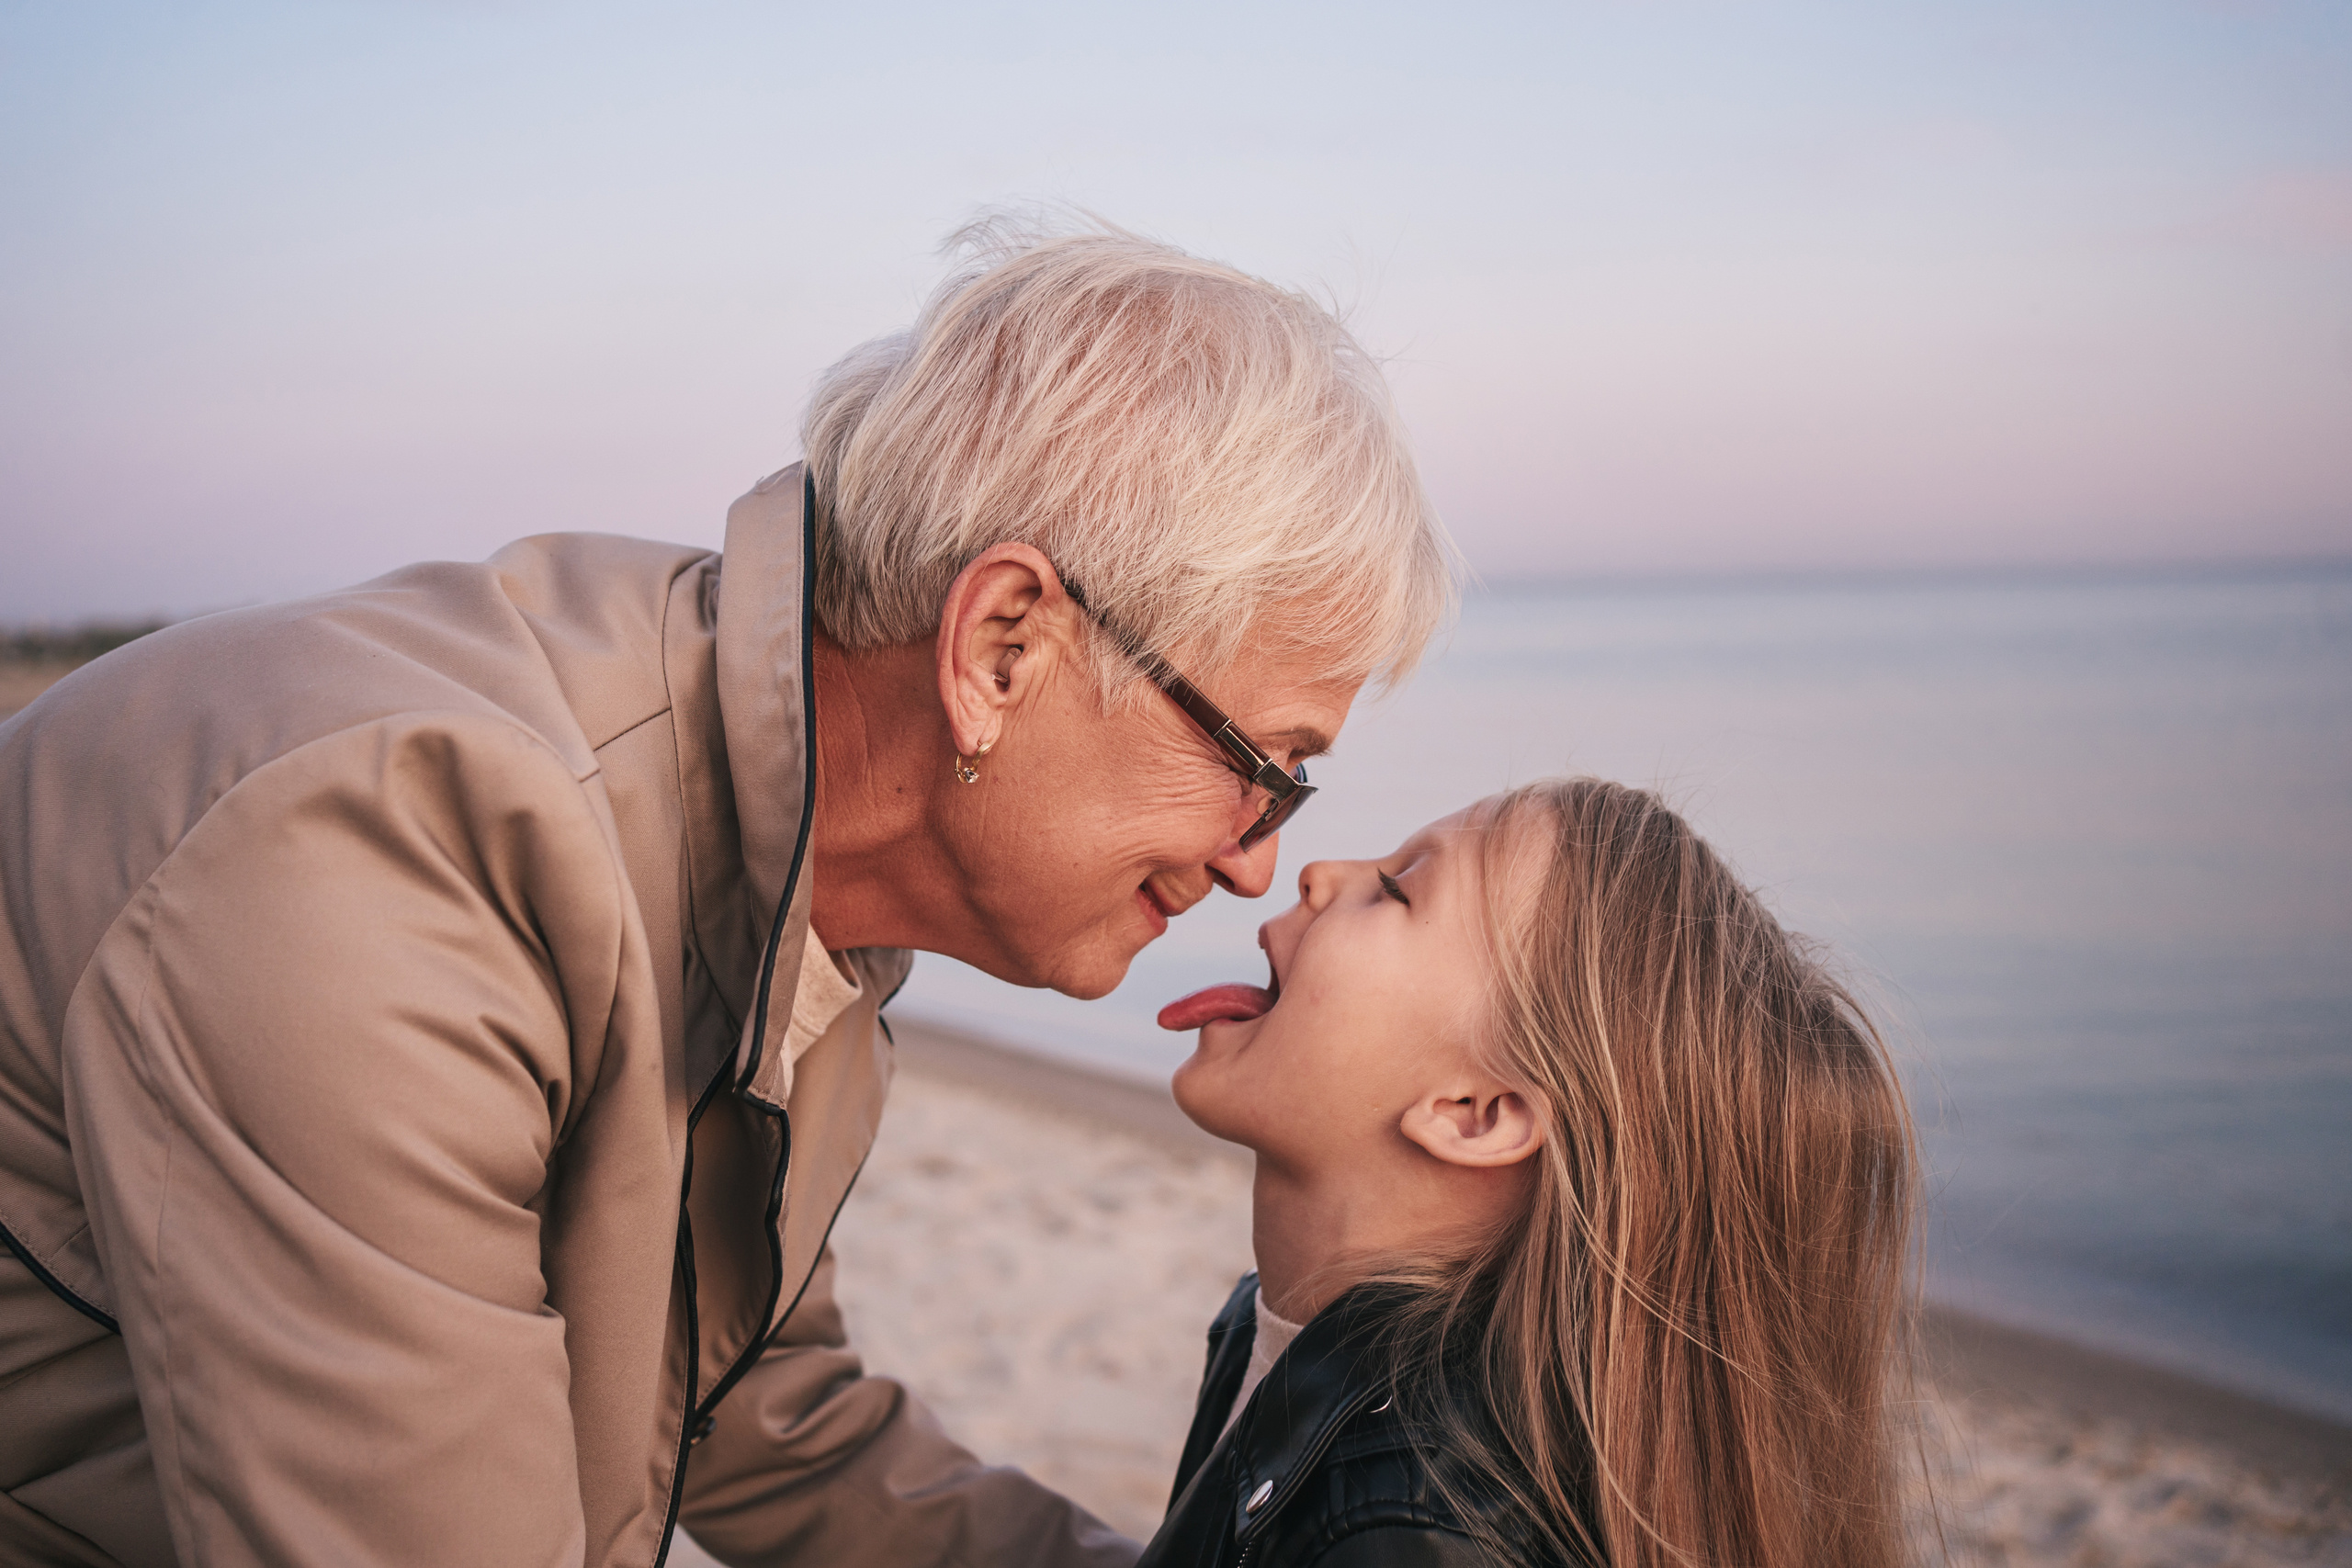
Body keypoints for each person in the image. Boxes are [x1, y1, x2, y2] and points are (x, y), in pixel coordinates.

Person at [0, 220, 1453, 1567]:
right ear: (1003, 647)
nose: (1261, 854)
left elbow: (745, 1403)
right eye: (1265, 761)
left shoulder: (800, 888)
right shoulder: (395, 855)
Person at [1146, 779, 1917, 1568]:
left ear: (1474, 1110)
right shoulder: (1276, 1329)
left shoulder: (1408, 1532)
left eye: (1395, 891)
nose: (1317, 870)